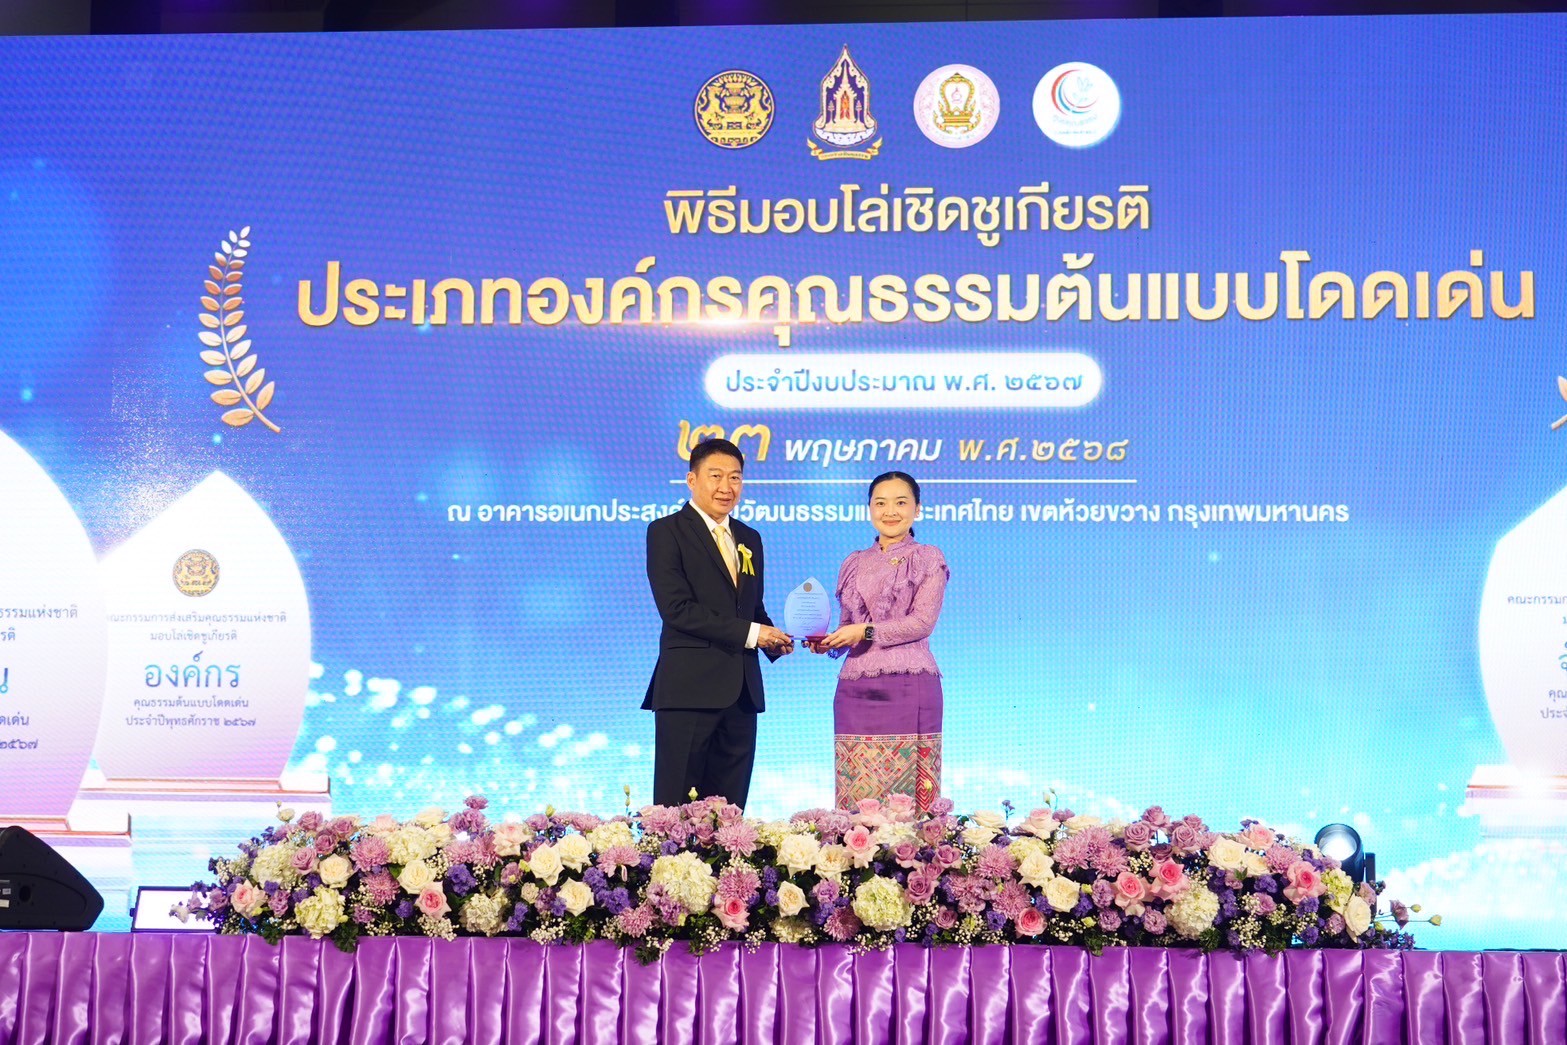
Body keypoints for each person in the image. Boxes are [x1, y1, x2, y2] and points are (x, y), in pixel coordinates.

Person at [643, 438, 793, 809]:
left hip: (742, 691)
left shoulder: (749, 537)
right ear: (692, 480)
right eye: (716, 476)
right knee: (675, 811)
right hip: (688, 690)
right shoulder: (666, 531)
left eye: (735, 477)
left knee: (729, 814)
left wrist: (775, 638)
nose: (726, 487)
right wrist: (755, 633)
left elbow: (750, 607)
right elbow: (677, 609)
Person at [808, 471, 949, 813]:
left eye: (901, 502)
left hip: (909, 684)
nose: (890, 511)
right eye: (880, 503)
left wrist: (865, 632)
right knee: (856, 802)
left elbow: (922, 623)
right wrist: (830, 642)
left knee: (910, 808)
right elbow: (848, 626)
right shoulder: (854, 562)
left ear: (917, 509)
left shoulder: (927, 557)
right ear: (869, 508)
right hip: (855, 688)